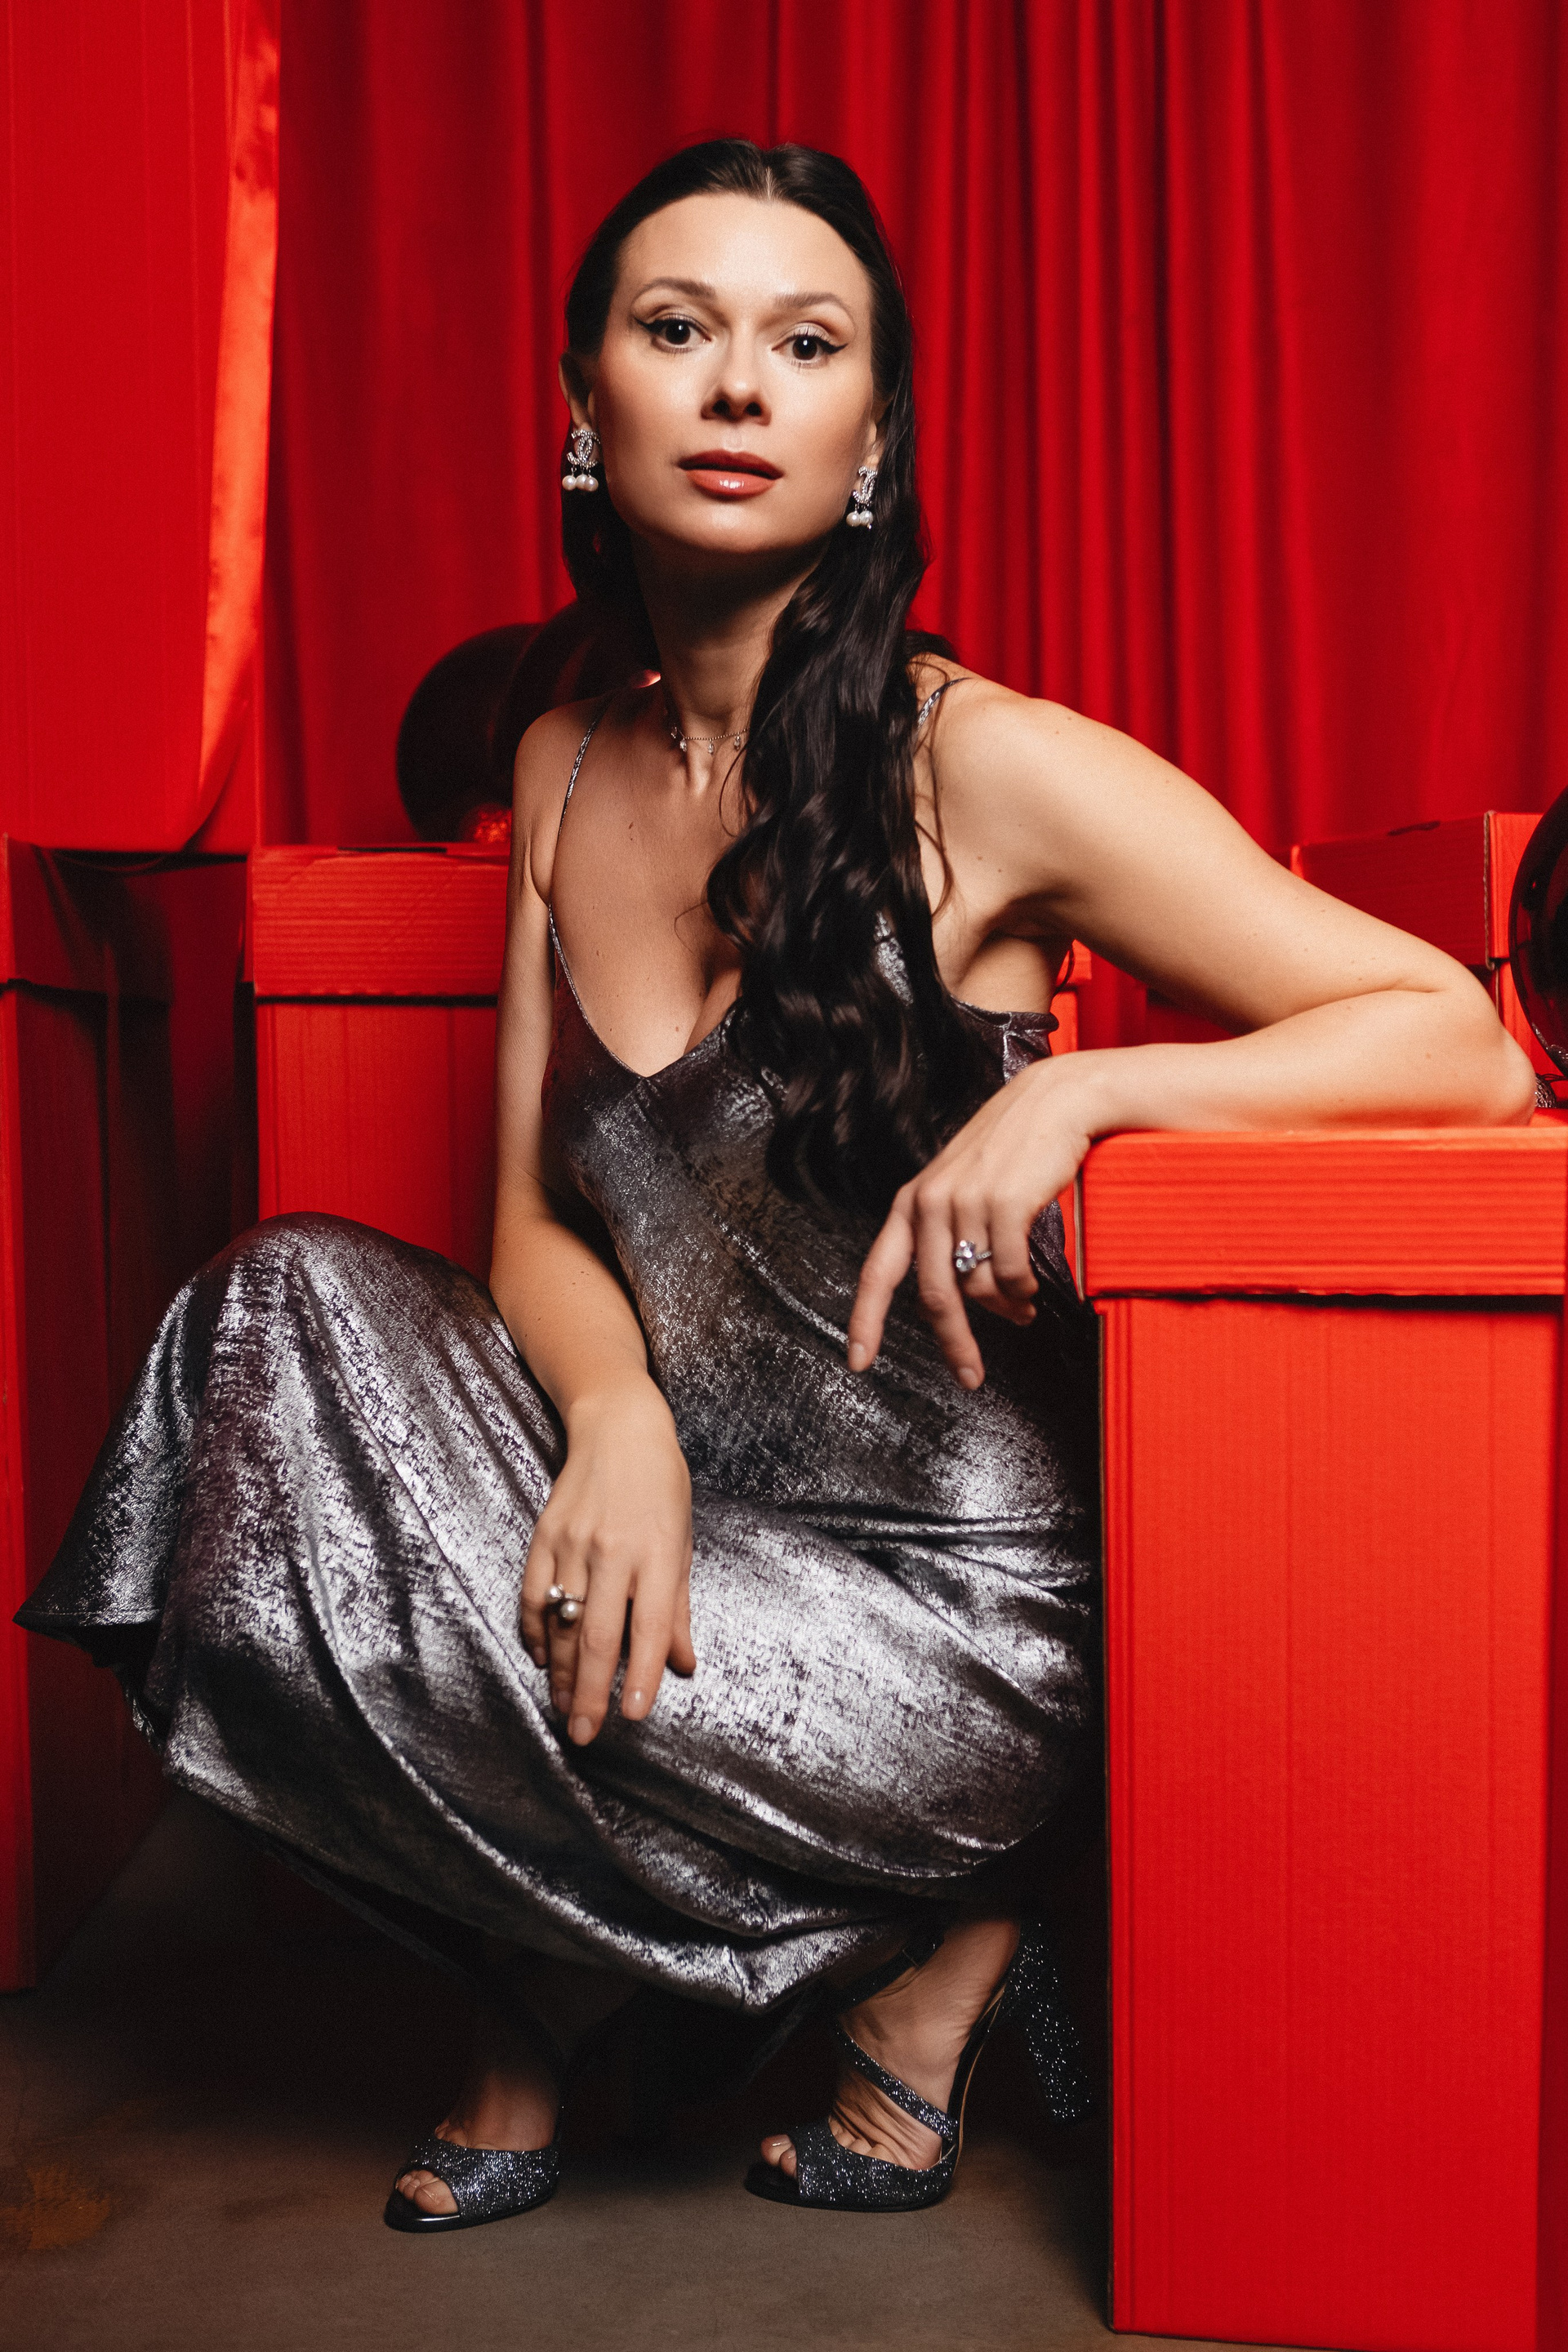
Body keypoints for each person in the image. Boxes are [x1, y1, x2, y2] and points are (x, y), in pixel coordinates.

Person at [17, 139, 1535, 2234]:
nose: (739, 384)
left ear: (871, 439)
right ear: (586, 400)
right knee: (259, 1320)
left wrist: (1091, 1103)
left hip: (956, 1616)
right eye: (679, 330)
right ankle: (691, 1952)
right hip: (681, 1526)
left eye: (806, 346)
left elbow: (1460, 1039)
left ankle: (765, 1950)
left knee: (487, 1600)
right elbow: (534, 1219)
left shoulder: (977, 761)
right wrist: (616, 1420)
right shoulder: (562, 763)